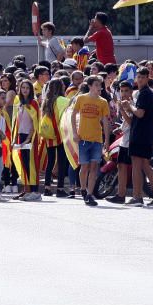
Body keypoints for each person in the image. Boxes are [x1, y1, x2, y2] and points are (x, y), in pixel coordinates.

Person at [122, 68, 153, 206]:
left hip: (141, 134)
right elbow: (133, 119)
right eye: (138, 76)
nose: (139, 79)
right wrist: (125, 109)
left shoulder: (144, 93)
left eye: (142, 77)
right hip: (143, 132)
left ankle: (137, 196)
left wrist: (129, 106)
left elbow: (139, 113)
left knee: (137, 164)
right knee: (145, 165)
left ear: (147, 78)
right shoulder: (143, 93)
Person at [70, 75, 111, 207]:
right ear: (90, 86)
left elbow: (105, 121)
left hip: (97, 139)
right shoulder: (81, 98)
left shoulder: (103, 101)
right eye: (96, 85)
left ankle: (89, 193)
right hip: (83, 138)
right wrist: (75, 133)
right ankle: (82, 188)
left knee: (94, 167)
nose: (99, 87)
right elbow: (73, 114)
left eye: (100, 85)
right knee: (84, 166)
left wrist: (107, 140)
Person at [39, 78, 69, 197]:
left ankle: (47, 188)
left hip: (49, 134)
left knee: (50, 162)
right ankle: (60, 188)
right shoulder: (64, 100)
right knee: (61, 162)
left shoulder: (46, 101)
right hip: (61, 134)